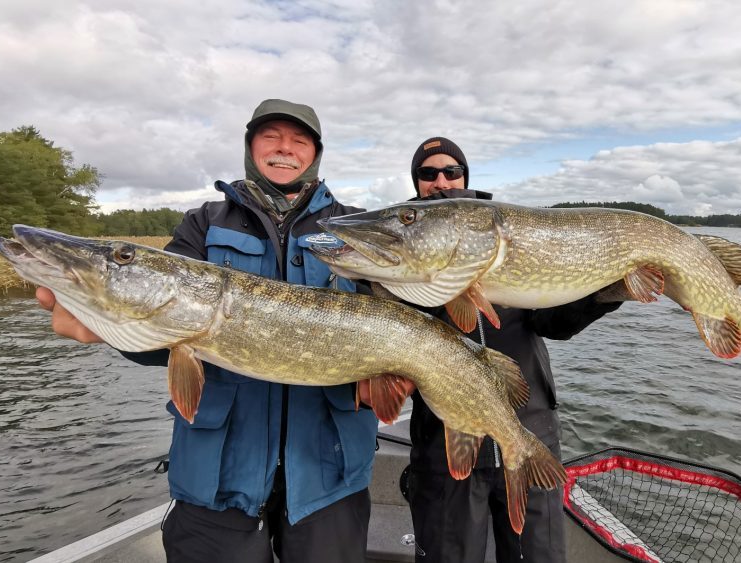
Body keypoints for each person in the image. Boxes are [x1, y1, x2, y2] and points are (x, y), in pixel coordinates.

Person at [36, 99, 379, 563]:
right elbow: (167, 333)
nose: (284, 149)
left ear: (314, 153)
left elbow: (395, 311)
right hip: (218, 471)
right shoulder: (203, 223)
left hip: (330, 470)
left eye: (299, 141)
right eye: (270, 137)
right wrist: (111, 330)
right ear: (250, 146)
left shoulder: (353, 228)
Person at [398, 137, 622, 563]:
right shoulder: (402, 256)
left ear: (466, 178)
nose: (441, 180)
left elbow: (555, 323)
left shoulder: (509, 241)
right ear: (417, 184)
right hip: (448, 441)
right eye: (428, 174)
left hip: (532, 429)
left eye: (451, 171)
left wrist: (610, 293)